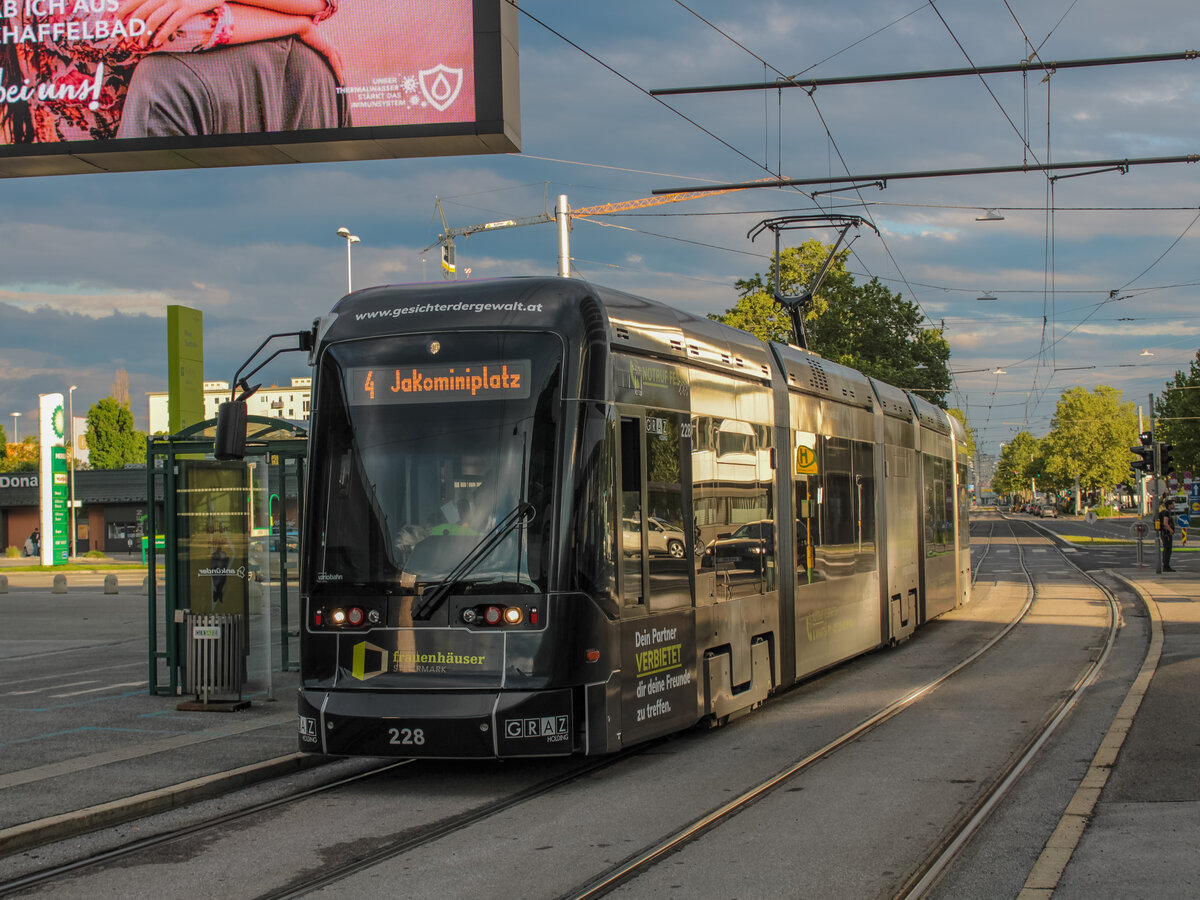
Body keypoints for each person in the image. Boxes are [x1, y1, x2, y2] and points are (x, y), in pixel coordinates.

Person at [1157, 495, 1176, 572]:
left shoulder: (1164, 512)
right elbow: (1165, 523)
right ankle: (1166, 566)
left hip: (1164, 533)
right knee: (1167, 550)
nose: (1173, 506)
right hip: (1166, 534)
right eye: (1172, 504)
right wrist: (1171, 530)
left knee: (1166, 549)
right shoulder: (1166, 513)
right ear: (1169, 505)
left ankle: (1166, 565)